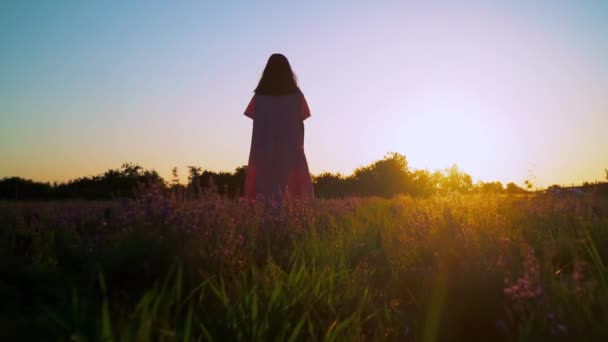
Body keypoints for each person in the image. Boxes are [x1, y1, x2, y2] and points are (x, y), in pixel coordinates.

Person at [243, 53, 314, 200]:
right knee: (293, 196)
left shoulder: (259, 97)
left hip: (263, 151)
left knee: (264, 192)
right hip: (290, 150)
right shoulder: (297, 96)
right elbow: (302, 121)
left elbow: (255, 121)